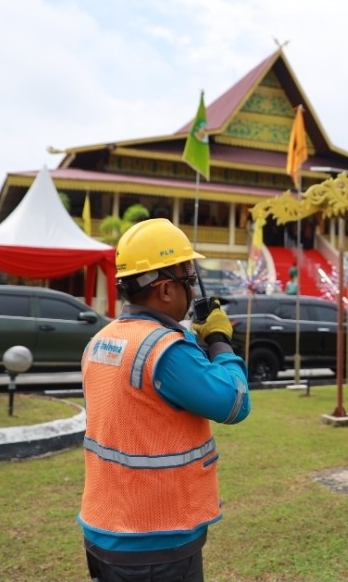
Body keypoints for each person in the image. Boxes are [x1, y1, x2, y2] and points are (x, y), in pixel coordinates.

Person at [78, 218, 251, 582]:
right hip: (156, 539)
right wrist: (219, 340)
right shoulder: (165, 350)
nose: (192, 292)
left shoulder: (102, 340)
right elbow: (235, 403)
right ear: (167, 291)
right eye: (189, 280)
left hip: (105, 526)